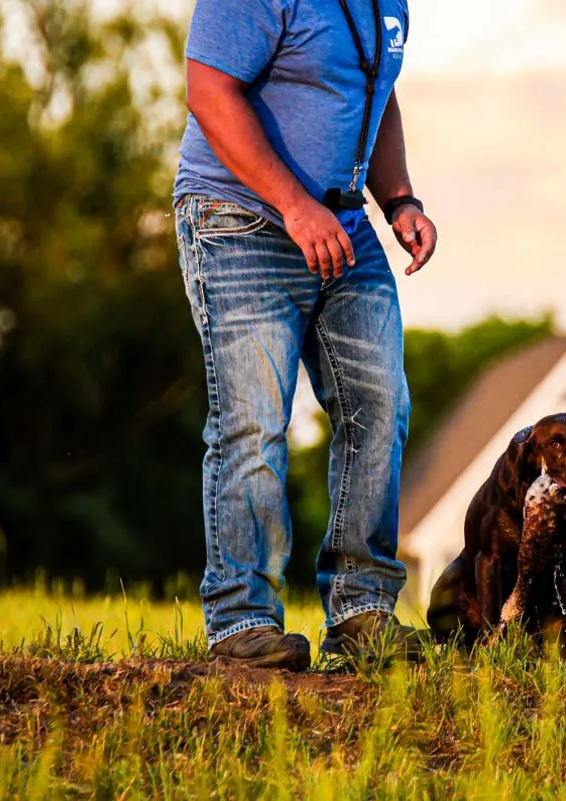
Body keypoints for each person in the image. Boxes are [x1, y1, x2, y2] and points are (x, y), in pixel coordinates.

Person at [171, 0, 437, 671]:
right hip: (241, 219)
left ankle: (360, 612)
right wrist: (294, 205)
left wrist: (400, 198)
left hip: (341, 224)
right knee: (254, 421)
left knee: (379, 405)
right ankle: (242, 620)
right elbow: (208, 90)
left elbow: (377, 90)